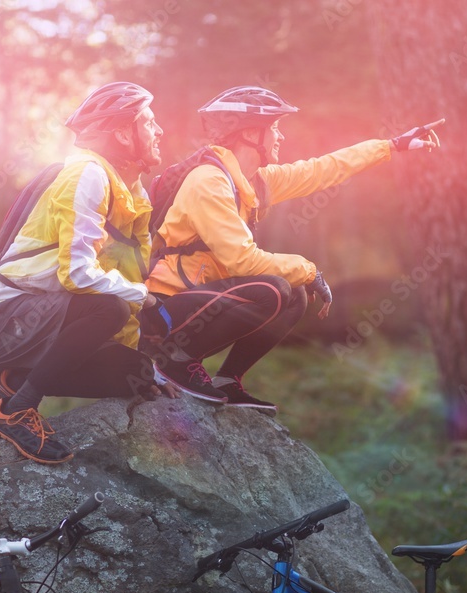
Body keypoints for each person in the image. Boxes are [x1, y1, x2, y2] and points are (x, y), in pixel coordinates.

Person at [144, 85, 443, 412]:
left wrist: (391, 146)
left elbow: (323, 170)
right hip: (166, 305)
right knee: (272, 290)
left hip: (201, 298)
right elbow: (242, 260)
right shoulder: (208, 181)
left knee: (295, 295)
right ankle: (177, 360)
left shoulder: (254, 181)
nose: (279, 137)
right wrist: (309, 269)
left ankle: (228, 379)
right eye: (273, 129)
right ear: (249, 134)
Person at [0, 81, 174, 464]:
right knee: (108, 308)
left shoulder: (129, 191)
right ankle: (17, 410)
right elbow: (77, 276)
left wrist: (146, 369)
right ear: (124, 133)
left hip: (39, 318)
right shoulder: (87, 175)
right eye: (150, 122)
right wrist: (143, 298)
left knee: (135, 377)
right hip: (3, 319)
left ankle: (7, 384)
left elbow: (121, 276)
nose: (159, 131)